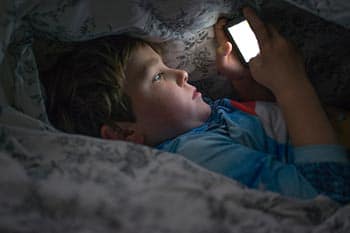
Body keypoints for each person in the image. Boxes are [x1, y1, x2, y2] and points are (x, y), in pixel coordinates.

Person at [42, 7, 349, 204]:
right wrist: (292, 84)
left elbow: (273, 136)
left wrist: (247, 86)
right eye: (159, 75)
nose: (182, 72)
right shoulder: (197, 153)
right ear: (123, 133)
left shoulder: (199, 125)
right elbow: (328, 195)